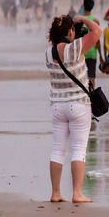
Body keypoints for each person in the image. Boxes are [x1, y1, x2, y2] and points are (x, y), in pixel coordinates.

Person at [45, 14, 101, 203]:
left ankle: (55, 193)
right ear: (70, 31)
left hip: (57, 106)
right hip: (78, 105)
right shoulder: (75, 48)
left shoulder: (48, 53)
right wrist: (83, 19)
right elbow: (97, 31)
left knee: (57, 149)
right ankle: (77, 193)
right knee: (78, 149)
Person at [81, 0, 103, 88]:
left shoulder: (80, 21)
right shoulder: (95, 21)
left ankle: (84, 98)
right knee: (92, 78)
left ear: (83, 7)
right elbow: (97, 40)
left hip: (81, 53)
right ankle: (92, 99)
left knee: (82, 78)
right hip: (92, 53)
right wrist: (101, 56)